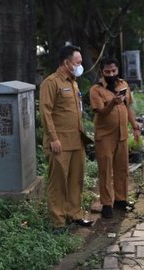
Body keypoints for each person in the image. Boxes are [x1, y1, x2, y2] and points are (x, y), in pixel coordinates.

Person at [39, 45, 93, 230]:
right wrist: (53, 138)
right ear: (66, 63)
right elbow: (45, 112)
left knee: (75, 180)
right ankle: (58, 222)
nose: (80, 65)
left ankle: (74, 214)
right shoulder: (51, 82)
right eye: (77, 62)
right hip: (59, 143)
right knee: (58, 183)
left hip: (77, 141)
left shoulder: (73, 82)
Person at [89, 57, 140, 219]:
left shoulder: (123, 85)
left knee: (122, 169)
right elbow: (101, 112)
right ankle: (106, 204)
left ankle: (121, 199)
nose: (111, 74)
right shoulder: (96, 90)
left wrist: (135, 127)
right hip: (105, 137)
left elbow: (128, 107)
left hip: (122, 135)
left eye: (114, 71)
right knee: (105, 170)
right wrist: (113, 102)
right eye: (107, 71)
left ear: (118, 70)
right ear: (101, 72)